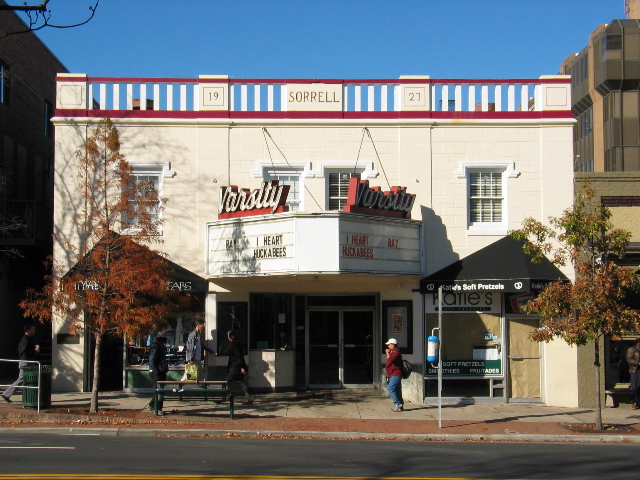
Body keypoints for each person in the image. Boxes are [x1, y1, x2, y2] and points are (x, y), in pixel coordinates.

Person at [2, 324, 40, 403]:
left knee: (26, 379)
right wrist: (34, 351)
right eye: (33, 329)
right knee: (21, 379)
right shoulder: (25, 340)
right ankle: (6, 394)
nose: (34, 331)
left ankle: (27, 396)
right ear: (28, 330)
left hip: (28, 361)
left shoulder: (28, 339)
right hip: (25, 362)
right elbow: (23, 353)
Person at [224, 330, 253, 405]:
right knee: (242, 382)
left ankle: (227, 396)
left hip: (235, 367)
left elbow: (238, 357)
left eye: (228, 336)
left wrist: (241, 367)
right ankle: (249, 398)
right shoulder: (237, 344)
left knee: (227, 381)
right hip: (238, 366)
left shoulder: (233, 345)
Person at [185, 316, 213, 381]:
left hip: (196, 358)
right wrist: (191, 359)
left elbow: (201, 345)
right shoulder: (193, 335)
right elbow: (190, 347)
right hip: (195, 359)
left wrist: (211, 351)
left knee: (192, 373)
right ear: (198, 325)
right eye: (202, 325)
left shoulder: (197, 335)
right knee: (199, 374)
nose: (203, 327)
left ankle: (181, 385)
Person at [147, 332, 169, 415]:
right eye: (165, 337)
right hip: (157, 372)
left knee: (158, 390)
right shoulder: (156, 346)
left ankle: (152, 405)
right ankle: (158, 408)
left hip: (160, 371)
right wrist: (157, 371)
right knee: (160, 391)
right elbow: (152, 360)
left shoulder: (159, 345)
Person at [385, 338, 404, 412]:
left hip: (395, 374)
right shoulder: (394, 352)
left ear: (393, 345)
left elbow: (390, 360)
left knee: (391, 388)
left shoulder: (395, 353)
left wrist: (387, 353)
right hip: (393, 373)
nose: (388, 346)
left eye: (389, 345)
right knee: (397, 390)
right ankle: (400, 404)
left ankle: (397, 404)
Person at [626, 337, 640, 409]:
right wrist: (637, 363)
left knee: (639, 386)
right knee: (635, 387)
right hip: (635, 370)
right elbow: (629, 359)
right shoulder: (631, 350)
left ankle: (638, 402)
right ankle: (634, 401)